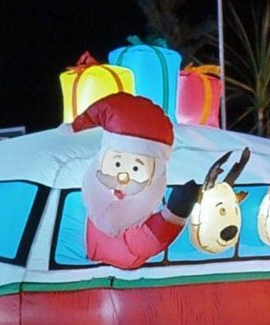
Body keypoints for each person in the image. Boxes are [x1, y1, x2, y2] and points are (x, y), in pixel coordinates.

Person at [71, 93, 199, 269]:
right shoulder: (89, 197)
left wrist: (176, 211)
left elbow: (144, 242)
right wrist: (176, 212)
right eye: (117, 164)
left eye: (136, 169)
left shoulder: (116, 212)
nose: (122, 177)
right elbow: (146, 241)